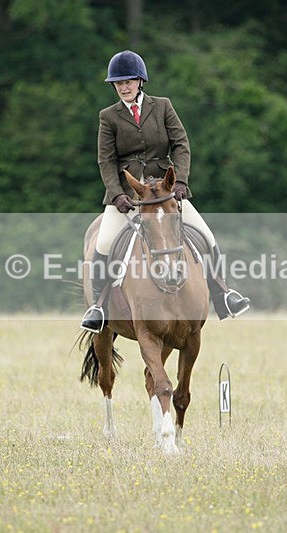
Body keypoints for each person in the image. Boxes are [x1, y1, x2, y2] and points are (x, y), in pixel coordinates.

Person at [81, 50, 250, 333]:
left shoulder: (162, 106)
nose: (123, 87)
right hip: (127, 195)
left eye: (129, 81)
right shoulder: (108, 116)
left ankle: (223, 294)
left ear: (140, 81)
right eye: (118, 83)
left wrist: (180, 181)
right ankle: (98, 306)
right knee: (104, 244)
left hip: (166, 192)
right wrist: (116, 194)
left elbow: (181, 144)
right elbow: (106, 160)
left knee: (206, 236)